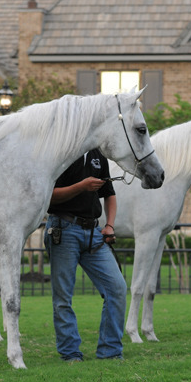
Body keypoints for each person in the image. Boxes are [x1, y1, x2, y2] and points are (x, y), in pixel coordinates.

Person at [45, 149, 125, 361]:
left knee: (117, 288)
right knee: (63, 297)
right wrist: (81, 187)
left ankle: (110, 352)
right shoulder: (62, 151)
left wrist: (109, 225)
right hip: (63, 229)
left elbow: (109, 194)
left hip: (94, 232)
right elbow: (47, 195)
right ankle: (70, 354)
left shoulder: (99, 156)